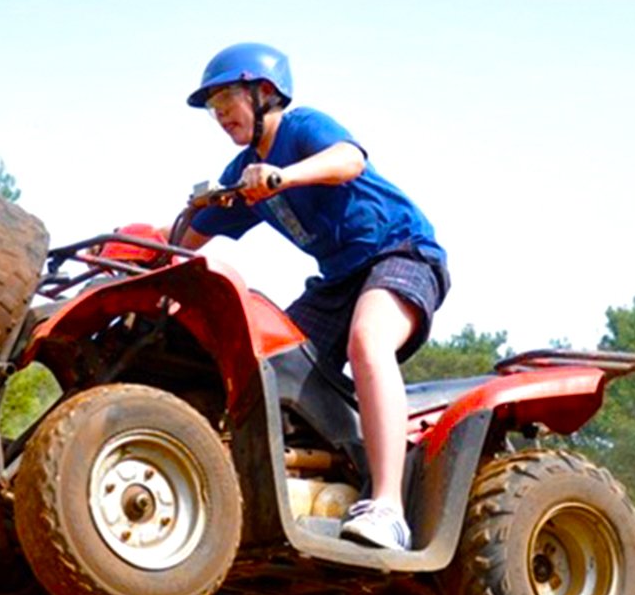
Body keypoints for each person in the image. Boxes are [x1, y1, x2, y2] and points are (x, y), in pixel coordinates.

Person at [173, 43, 449, 551]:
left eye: (227, 100)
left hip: (402, 253)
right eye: (212, 108)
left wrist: (284, 176)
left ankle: (388, 506)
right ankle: (312, 484)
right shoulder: (241, 174)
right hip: (339, 279)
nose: (221, 116)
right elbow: (189, 238)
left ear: (265, 94)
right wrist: (149, 259)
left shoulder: (301, 129)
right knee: (271, 365)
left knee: (368, 340)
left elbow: (350, 160)